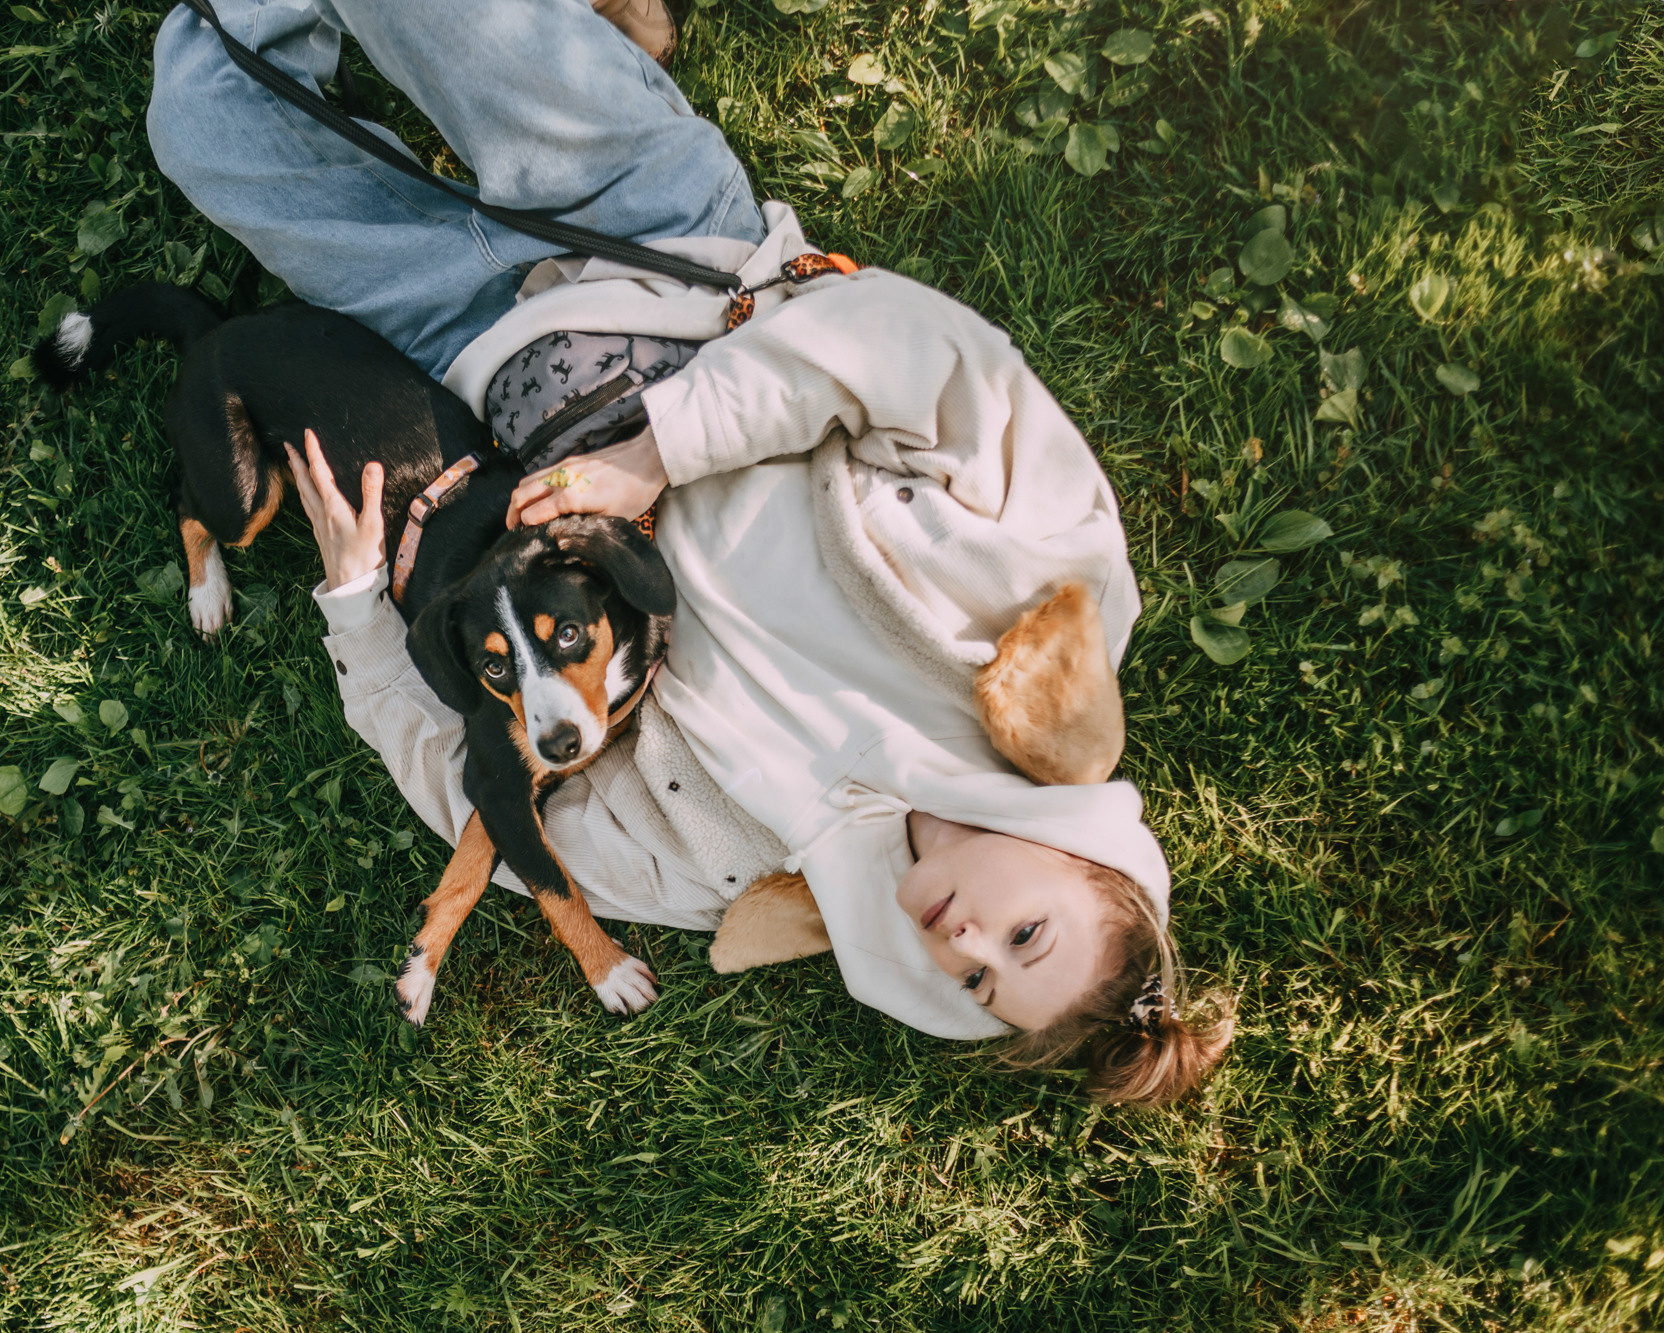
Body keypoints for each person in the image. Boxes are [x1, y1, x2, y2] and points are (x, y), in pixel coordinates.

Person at [147, 0, 1234, 1102]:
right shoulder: (1048, 607)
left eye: (976, 979)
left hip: (453, 359)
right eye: (1025, 934)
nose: (969, 941)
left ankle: (584, 43)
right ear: (1074, 851)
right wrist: (657, 453)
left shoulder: (732, 871)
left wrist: (351, 602)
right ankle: (594, 55)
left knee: (198, 114)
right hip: (660, 242)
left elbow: (464, 786)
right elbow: (923, 355)